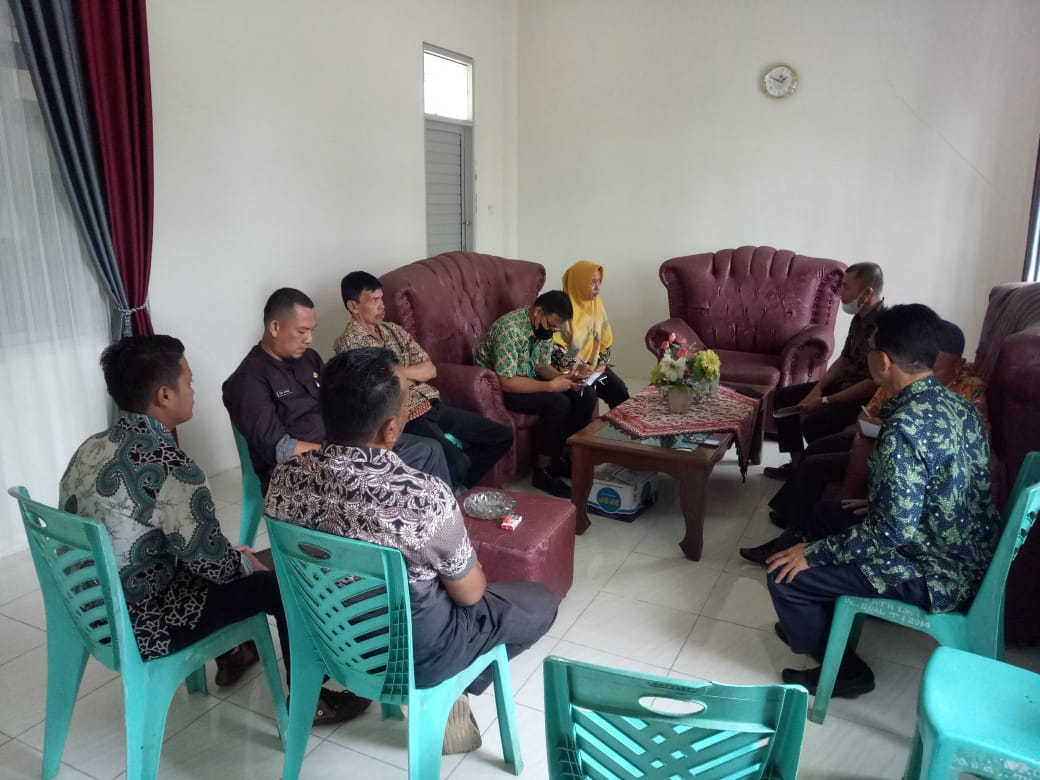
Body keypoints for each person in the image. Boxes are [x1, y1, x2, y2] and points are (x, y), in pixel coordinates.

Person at [60, 336, 369, 724]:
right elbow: (216, 567)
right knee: (280, 583)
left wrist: (228, 557)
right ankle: (311, 698)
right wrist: (245, 563)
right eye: (187, 382)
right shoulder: (172, 468)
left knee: (224, 556)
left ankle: (235, 651)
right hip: (146, 623)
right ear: (163, 395)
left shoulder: (89, 448)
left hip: (91, 609)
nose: (193, 390)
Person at [265, 347, 559, 754]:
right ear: (391, 429)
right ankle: (453, 687)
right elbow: (470, 594)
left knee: (439, 589)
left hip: (329, 640)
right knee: (538, 601)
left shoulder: (284, 479)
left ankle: (451, 683)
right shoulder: (422, 497)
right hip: (414, 657)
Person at [765, 304, 1000, 698]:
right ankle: (817, 622)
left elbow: (892, 533)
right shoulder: (959, 405)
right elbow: (943, 486)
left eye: (872, 350)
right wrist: (882, 507)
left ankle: (846, 673)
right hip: (964, 547)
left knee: (786, 577)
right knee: (827, 514)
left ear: (884, 361)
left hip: (935, 569)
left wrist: (812, 555)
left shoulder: (903, 428)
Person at [741, 318, 989, 564]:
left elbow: (897, 526)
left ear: (959, 365)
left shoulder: (963, 395)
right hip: (875, 447)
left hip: (928, 543)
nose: (929, 374)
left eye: (937, 368)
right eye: (927, 366)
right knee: (816, 454)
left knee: (818, 470)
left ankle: (793, 541)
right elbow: (867, 416)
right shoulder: (906, 383)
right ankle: (793, 523)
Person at [222, 287, 450, 492]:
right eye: (302, 331)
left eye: (312, 330)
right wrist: (345, 455)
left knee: (430, 448)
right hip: (306, 470)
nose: (309, 339)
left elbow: (341, 401)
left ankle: (439, 522)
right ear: (275, 326)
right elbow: (279, 449)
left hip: (347, 446)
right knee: (418, 457)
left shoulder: (308, 359)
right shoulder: (247, 381)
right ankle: (408, 526)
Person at [333, 271, 513, 491]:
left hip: (431, 404)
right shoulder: (349, 344)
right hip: (406, 415)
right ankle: (452, 492)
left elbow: (429, 369)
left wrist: (398, 373)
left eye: (382, 299)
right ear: (353, 306)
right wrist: (407, 375)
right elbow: (382, 388)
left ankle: (458, 488)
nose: (382, 305)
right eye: (374, 300)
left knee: (501, 436)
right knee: (458, 461)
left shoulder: (393, 330)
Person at [765, 263, 886, 480]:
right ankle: (797, 465)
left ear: (867, 292)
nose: (841, 293)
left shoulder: (885, 327)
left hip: (865, 399)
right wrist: (818, 389)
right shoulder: (859, 317)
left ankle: (813, 471)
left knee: (814, 424)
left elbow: (872, 383)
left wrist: (825, 401)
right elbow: (845, 358)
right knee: (784, 398)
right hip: (845, 385)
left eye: (847, 287)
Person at [475, 290, 598, 498]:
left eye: (556, 328)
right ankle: (542, 471)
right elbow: (507, 381)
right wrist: (551, 387)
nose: (551, 331)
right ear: (538, 312)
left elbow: (542, 366)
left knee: (585, 395)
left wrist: (566, 378)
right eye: (551, 325)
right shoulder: (510, 330)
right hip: (501, 389)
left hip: (528, 379)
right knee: (558, 403)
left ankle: (560, 458)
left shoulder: (543, 329)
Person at [551, 260, 629, 409]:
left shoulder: (596, 305)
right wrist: (578, 367)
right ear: (578, 283)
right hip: (565, 369)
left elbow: (605, 340)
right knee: (584, 396)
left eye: (599, 281)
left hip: (592, 365)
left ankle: (622, 429)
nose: (598, 287)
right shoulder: (560, 307)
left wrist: (602, 363)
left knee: (619, 390)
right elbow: (553, 349)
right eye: (592, 282)